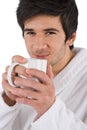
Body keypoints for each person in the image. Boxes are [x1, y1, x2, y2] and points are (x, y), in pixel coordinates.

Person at [0, 0, 87, 129]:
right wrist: (8, 100)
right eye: (31, 33)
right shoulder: (21, 75)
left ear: (71, 38)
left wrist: (49, 110)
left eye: (50, 33)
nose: (39, 46)